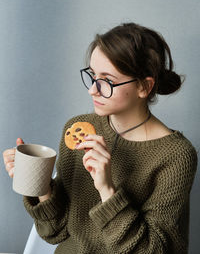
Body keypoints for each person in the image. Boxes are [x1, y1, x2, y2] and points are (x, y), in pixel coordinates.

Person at [3, 22, 197, 254]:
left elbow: (153, 250)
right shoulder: (78, 129)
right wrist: (40, 183)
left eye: (108, 81)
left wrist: (107, 189)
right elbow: (55, 232)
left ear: (144, 87)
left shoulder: (176, 155)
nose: (93, 89)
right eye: (93, 75)